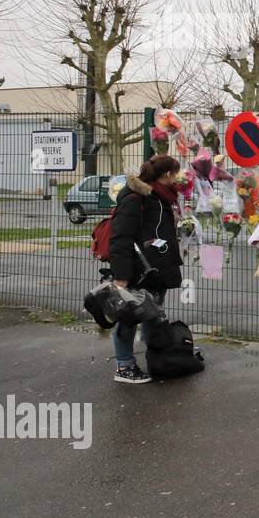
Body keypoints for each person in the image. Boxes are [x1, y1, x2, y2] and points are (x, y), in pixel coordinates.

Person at [108, 156, 185, 384]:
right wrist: (121, 275)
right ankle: (124, 367)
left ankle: (157, 360)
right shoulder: (136, 198)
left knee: (153, 317)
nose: (178, 177)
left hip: (156, 269)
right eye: (176, 172)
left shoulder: (162, 197)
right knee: (129, 318)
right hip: (137, 271)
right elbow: (120, 237)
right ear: (167, 174)